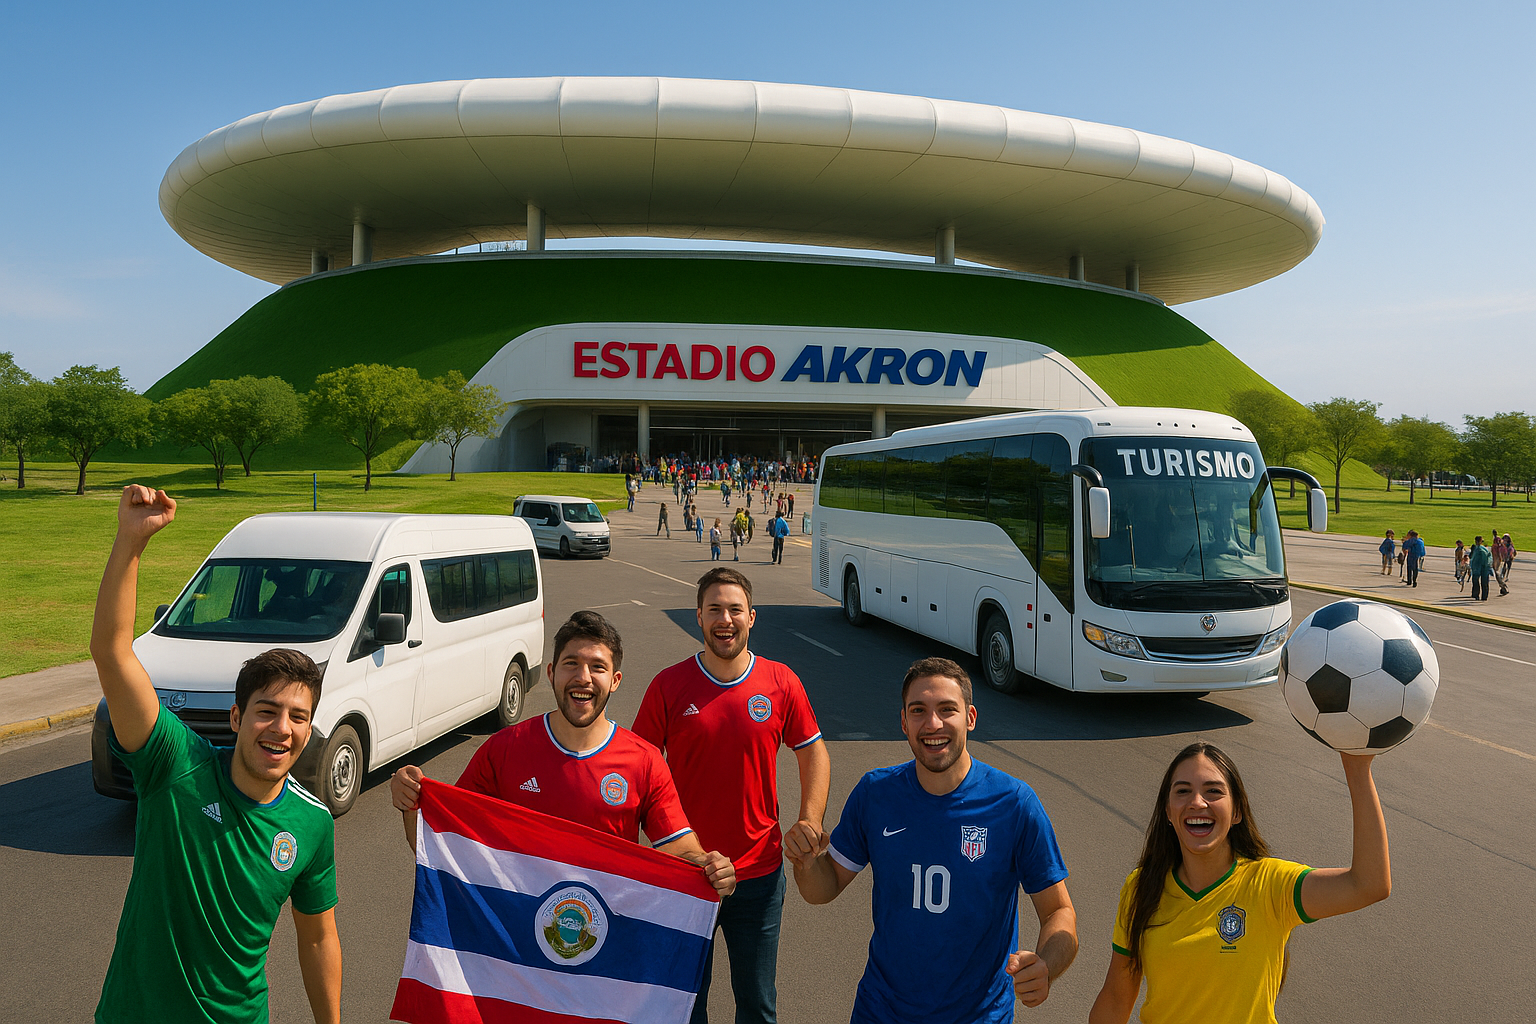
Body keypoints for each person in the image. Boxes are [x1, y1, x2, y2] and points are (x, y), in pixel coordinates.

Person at [90, 486, 341, 1024]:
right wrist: (131, 541)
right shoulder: (174, 765)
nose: (282, 729)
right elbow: (112, 652)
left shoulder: (312, 823)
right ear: (236, 718)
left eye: (298, 717)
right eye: (266, 712)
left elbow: (318, 939)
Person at [788, 657, 1077, 1023]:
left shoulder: (1015, 804)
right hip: (882, 1011)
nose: (933, 724)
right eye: (919, 711)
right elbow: (822, 889)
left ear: (970, 717)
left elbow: (1059, 912)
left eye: (947, 709)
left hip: (979, 1015)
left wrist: (1046, 966)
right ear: (903, 721)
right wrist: (807, 862)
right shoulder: (876, 793)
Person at [390, 611, 735, 898]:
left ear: (615, 680)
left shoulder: (644, 761)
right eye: (572, 663)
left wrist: (708, 864)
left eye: (597, 667)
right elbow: (444, 842)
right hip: (518, 941)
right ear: (552, 673)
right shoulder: (504, 749)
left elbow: (679, 848)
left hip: (604, 938)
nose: (583, 677)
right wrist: (412, 801)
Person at [634, 569, 831, 1024]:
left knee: (758, 1005)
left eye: (735, 609)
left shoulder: (780, 681)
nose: (726, 619)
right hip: (685, 875)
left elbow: (813, 751)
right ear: (698, 617)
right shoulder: (668, 685)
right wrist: (677, 851)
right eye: (715, 609)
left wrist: (811, 819)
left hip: (759, 876)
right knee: (685, 1005)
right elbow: (638, 771)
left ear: (752, 617)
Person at [1088, 741, 1391, 1024]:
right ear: (1168, 811)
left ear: (1237, 812)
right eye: (1182, 791)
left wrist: (1357, 768)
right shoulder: (1141, 887)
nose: (1197, 802)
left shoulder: (1271, 884)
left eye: (1213, 792)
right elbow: (1116, 998)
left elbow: (1368, 884)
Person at [1469, 535, 1493, 601]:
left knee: (1479, 581)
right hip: (1481, 567)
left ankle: (1480, 595)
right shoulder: (1479, 549)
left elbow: (1472, 557)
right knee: (1480, 581)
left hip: (1480, 567)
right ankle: (1479, 595)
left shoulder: (1480, 549)